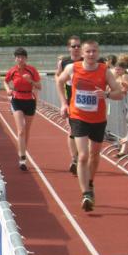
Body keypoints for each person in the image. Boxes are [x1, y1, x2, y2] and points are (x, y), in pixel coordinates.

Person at [56, 39, 123, 212]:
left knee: (94, 155)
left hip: (98, 119)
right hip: (78, 117)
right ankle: (86, 193)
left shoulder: (104, 71)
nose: (91, 54)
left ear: (98, 52)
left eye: (94, 51)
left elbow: (119, 93)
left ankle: (90, 182)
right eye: (88, 51)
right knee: (83, 155)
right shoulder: (73, 68)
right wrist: (63, 103)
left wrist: (106, 94)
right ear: (82, 53)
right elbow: (59, 81)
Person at [4, 48, 41, 171]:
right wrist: (8, 89)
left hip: (30, 100)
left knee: (27, 130)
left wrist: (30, 81)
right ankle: (22, 157)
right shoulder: (12, 71)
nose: (20, 59)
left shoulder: (32, 70)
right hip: (17, 99)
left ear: (26, 58)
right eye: (18, 57)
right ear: (15, 58)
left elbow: (39, 86)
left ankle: (23, 151)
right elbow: (5, 81)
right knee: (20, 130)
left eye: (22, 57)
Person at [57, 36, 84, 175]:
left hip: (85, 102)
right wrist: (63, 103)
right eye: (74, 46)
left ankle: (80, 157)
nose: (77, 48)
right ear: (69, 48)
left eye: (79, 46)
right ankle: (75, 159)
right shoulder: (64, 62)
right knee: (73, 130)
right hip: (71, 102)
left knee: (85, 133)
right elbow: (58, 78)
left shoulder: (86, 61)